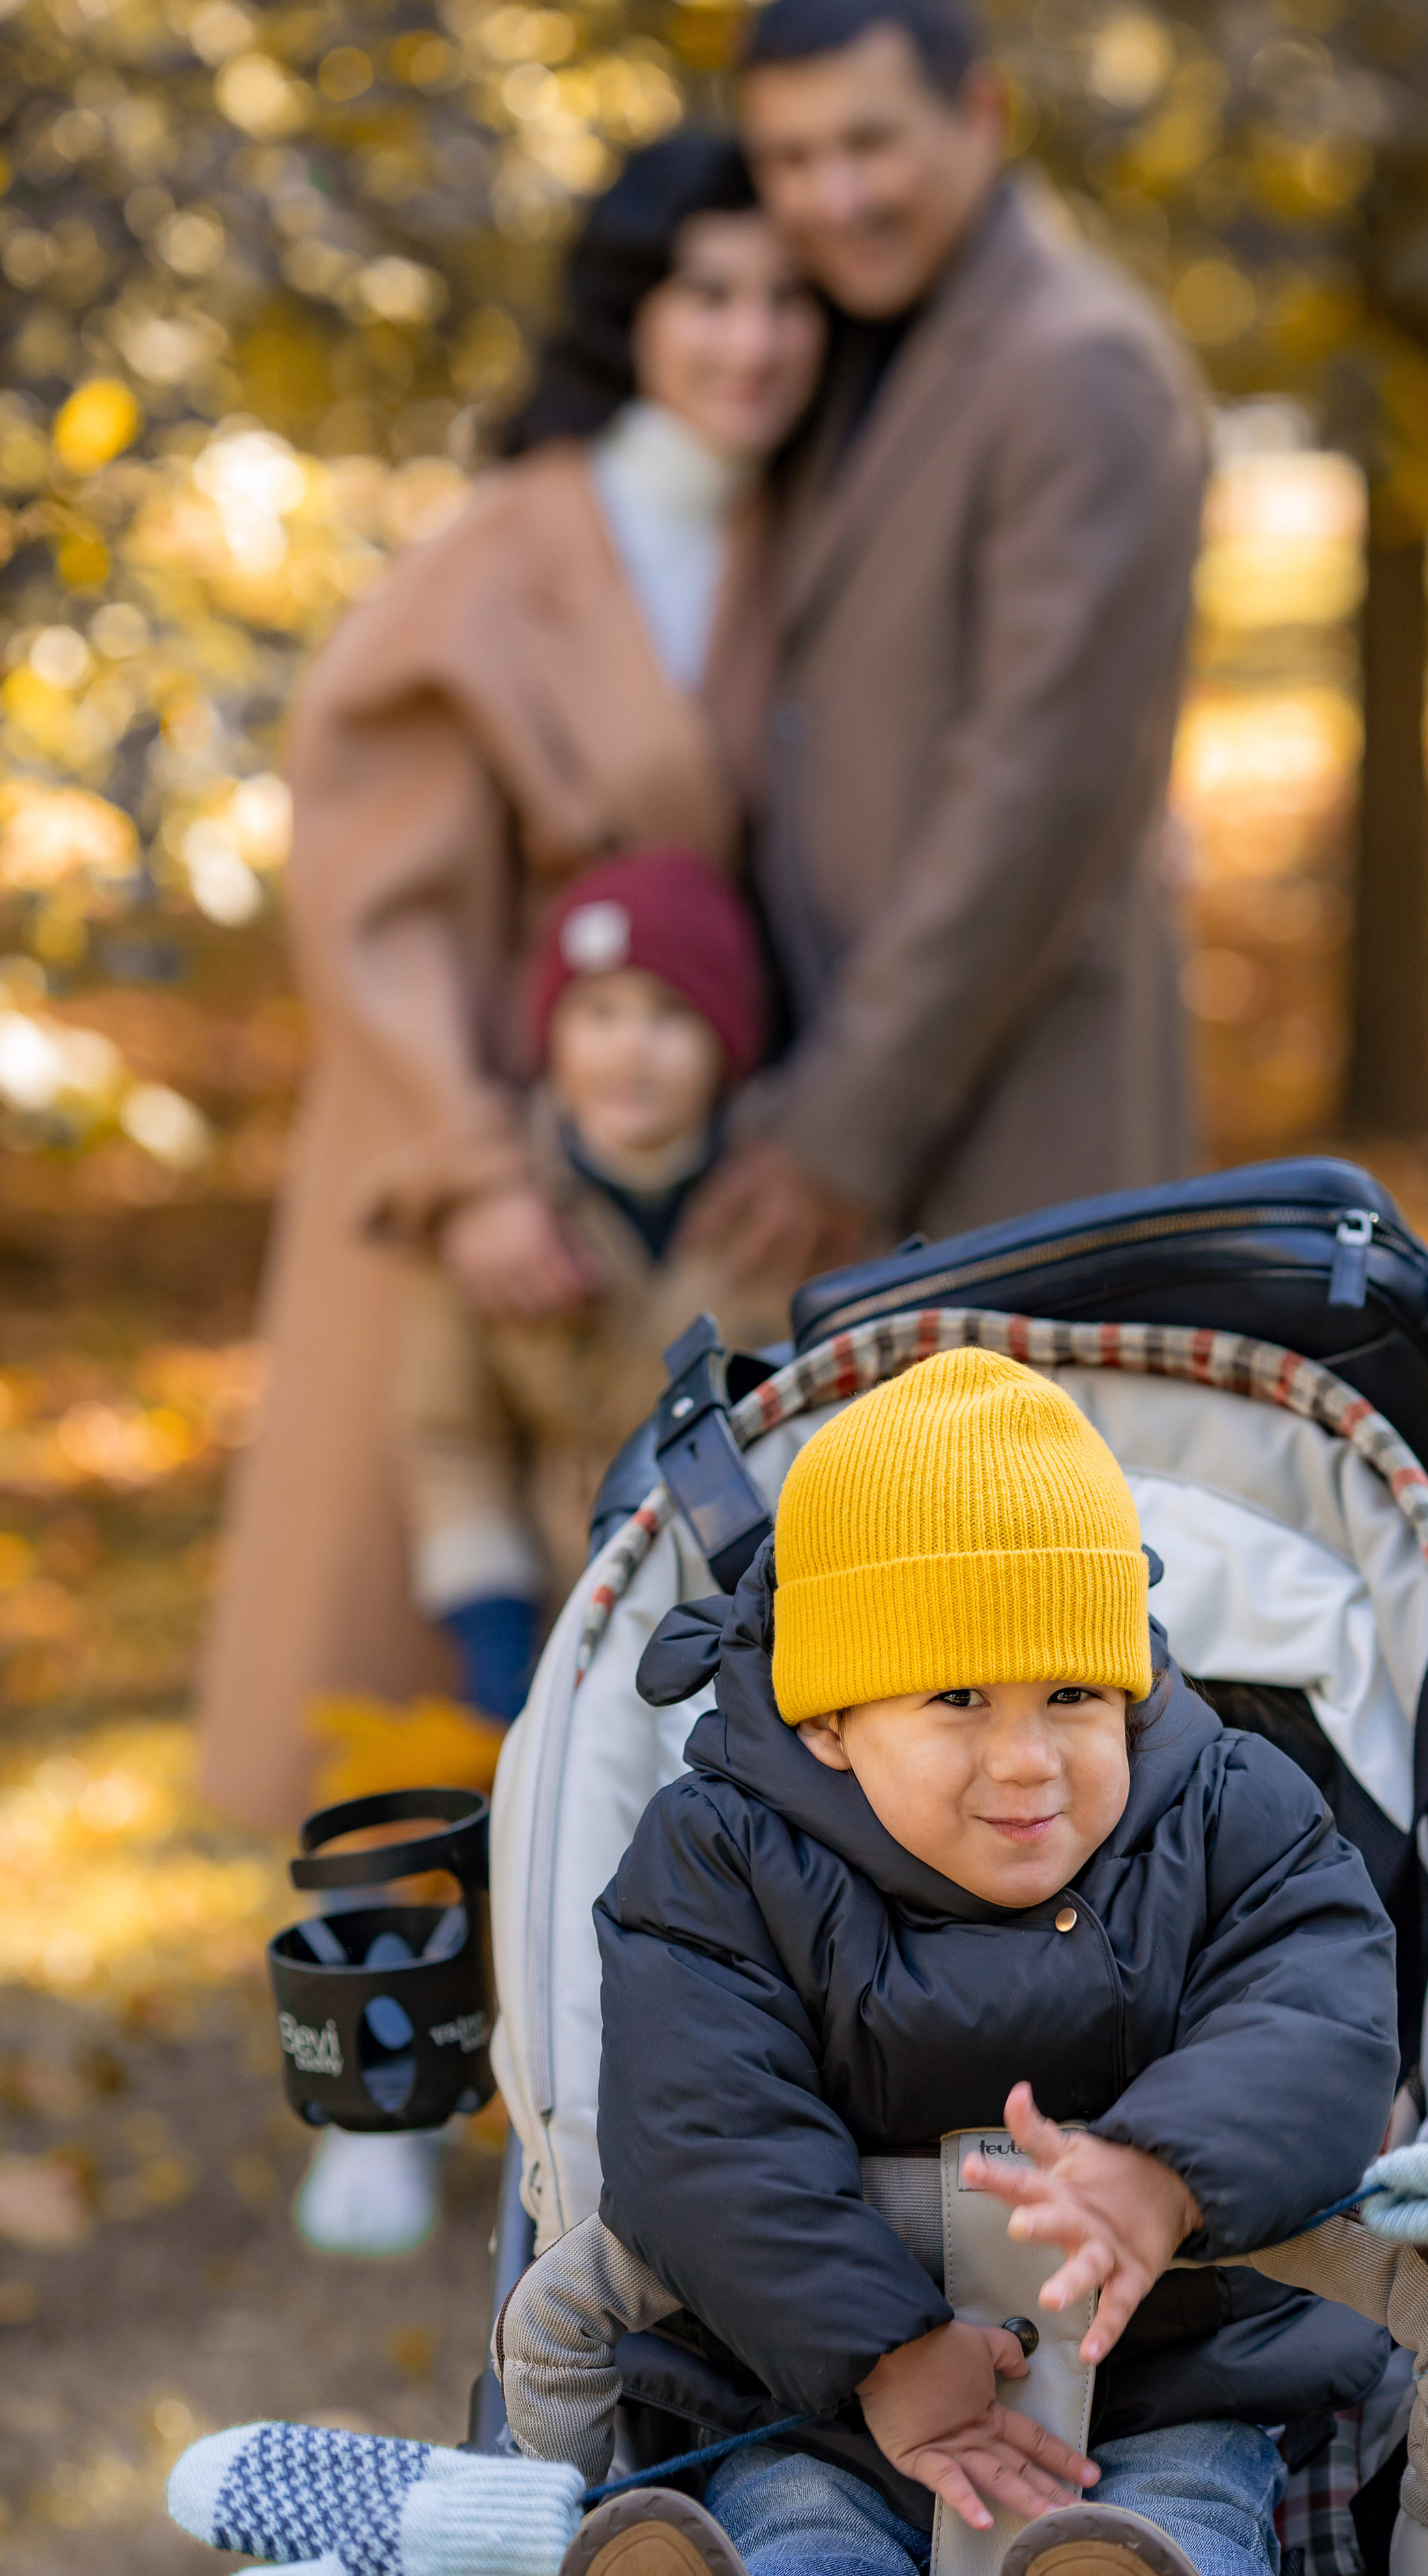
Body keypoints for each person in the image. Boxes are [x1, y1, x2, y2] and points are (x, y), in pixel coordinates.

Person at [562, 1346, 1403, 2576]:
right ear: (828, 1718)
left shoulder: (1233, 1814)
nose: (1027, 1760)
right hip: (826, 2399)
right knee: (801, 2526)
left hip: (1165, 2380)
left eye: (1073, 1693)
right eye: (958, 1698)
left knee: (1183, 2521)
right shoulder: (718, 1859)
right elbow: (701, 2134)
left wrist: (1165, 2171)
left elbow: (1319, 2022)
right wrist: (883, 2353)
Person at [197, 134, 825, 1829]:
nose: (751, 340)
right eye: (707, 294)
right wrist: (474, 1168)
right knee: (427, 1639)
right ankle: (409, 1977)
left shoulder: (800, 539)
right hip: (469, 1109)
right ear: (632, 310)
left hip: (692, 1129)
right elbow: (371, 894)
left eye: (786, 301)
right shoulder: (505, 548)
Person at [687, 0, 1210, 1293]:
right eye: (790, 159)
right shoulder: (858, 341)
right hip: (856, 1103)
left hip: (1016, 1119)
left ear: (982, 114)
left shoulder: (1082, 367)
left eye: (870, 143)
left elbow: (1034, 792)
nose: (834, 198)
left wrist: (837, 1132)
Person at [393, 850, 785, 1724]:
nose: (630, 1047)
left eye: (670, 1014)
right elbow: (448, 1437)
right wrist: (492, 1626)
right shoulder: (490, 1209)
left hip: (758, 1603)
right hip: (567, 1604)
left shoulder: (783, 1204)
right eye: (598, 1013)